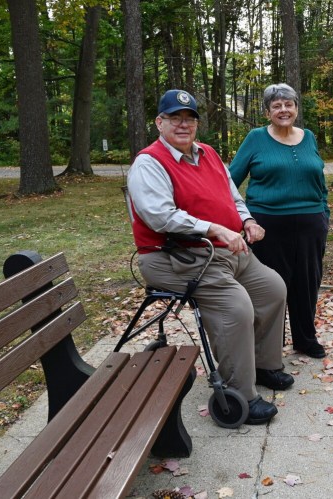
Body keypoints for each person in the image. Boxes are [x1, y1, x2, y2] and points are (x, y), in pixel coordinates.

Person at [126, 89, 294, 425]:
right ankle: (238, 394)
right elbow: (159, 216)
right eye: (175, 118)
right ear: (160, 123)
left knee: (273, 289)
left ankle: (262, 365)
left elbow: (232, 196)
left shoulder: (208, 154)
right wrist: (215, 229)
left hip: (225, 251)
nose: (183, 124)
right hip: (175, 257)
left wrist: (246, 220)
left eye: (189, 118)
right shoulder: (149, 162)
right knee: (235, 307)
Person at [229, 83, 330, 359]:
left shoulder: (309, 137)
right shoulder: (255, 138)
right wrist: (242, 219)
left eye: (289, 104)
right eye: (277, 106)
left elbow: (319, 183)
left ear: (296, 108)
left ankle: (305, 339)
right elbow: (228, 183)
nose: (283, 110)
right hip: (267, 228)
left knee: (307, 284)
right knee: (271, 289)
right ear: (267, 112)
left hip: (311, 226)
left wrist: (324, 216)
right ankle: (269, 349)